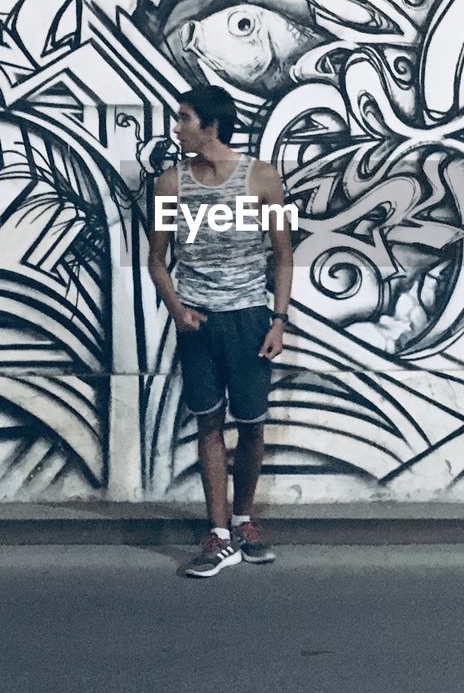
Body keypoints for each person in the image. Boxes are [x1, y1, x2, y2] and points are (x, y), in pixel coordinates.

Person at [147, 85, 294, 578]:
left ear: (210, 126)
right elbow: (157, 258)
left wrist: (279, 318)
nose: (175, 127)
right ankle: (220, 533)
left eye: (183, 118)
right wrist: (176, 308)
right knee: (209, 424)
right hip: (199, 321)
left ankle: (245, 519)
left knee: (251, 425)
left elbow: (283, 252)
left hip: (250, 318)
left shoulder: (261, 178)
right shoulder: (171, 184)